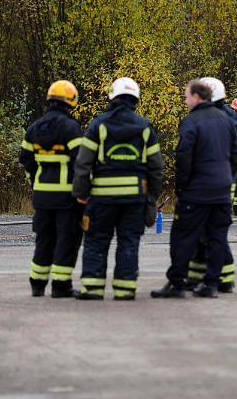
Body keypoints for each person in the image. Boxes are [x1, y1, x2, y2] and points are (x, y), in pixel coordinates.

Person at [72, 77, 163, 300]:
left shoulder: (99, 125)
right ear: (135, 99)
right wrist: (150, 196)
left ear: (113, 96)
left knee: (96, 241)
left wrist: (81, 193)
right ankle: (125, 289)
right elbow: (156, 167)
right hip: (134, 200)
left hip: (102, 200)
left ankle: (92, 289)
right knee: (129, 242)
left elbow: (83, 163)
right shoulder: (144, 127)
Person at [151, 79, 237, 299]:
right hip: (222, 190)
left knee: (183, 236)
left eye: (187, 96)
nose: (185, 100)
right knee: (216, 237)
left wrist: (182, 187)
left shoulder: (191, 121)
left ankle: (177, 283)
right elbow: (236, 155)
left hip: (197, 191)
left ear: (197, 97)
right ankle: (211, 285)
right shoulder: (227, 119)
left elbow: (184, 157)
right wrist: (226, 178)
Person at [19, 80, 84, 298]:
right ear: (71, 101)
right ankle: (61, 286)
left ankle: (37, 284)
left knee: (44, 239)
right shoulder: (71, 128)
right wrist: (83, 191)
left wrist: (35, 182)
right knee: (67, 240)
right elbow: (81, 162)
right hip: (67, 197)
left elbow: (26, 159)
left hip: (42, 196)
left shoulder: (34, 128)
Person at [186, 77, 237, 293]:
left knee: (212, 235)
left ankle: (222, 279)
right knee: (206, 235)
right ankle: (200, 277)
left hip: (216, 188)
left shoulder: (221, 119)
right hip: (223, 185)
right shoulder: (228, 118)